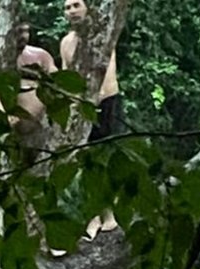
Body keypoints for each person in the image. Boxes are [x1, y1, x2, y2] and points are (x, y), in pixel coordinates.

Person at [60, 0, 121, 238]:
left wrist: (96, 97)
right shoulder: (66, 42)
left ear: (87, 8)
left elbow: (106, 72)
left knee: (107, 161)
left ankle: (110, 215)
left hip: (107, 103)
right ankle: (95, 216)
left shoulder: (102, 35)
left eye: (76, 5)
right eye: (67, 7)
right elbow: (66, 77)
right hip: (81, 107)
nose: (72, 11)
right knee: (86, 164)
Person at [0, 22, 58, 143]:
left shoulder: (41, 56)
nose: (24, 36)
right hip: (5, 130)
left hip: (40, 128)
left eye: (26, 31)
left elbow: (57, 84)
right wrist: (3, 110)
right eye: (19, 32)